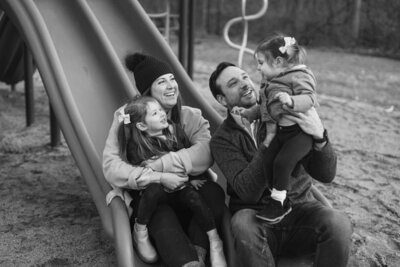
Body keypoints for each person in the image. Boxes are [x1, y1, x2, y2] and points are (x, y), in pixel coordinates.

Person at [208, 62, 352, 267]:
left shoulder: (287, 113)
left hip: (300, 212)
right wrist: (269, 141)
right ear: (222, 99)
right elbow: (247, 191)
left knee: (338, 222)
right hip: (257, 218)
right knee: (242, 223)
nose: (244, 84)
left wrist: (320, 136)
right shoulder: (222, 139)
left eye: (245, 77)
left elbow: (327, 175)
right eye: (233, 83)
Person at [103, 53, 226, 267]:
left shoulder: (191, 116)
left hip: (187, 190)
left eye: (172, 79)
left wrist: (161, 164)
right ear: (147, 92)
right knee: (161, 213)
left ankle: (202, 251)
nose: (171, 86)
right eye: (161, 81)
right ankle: (187, 262)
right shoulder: (128, 117)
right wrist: (158, 177)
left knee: (213, 192)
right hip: (153, 198)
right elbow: (111, 166)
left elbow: (206, 153)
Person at [118, 95, 227, 266]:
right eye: (155, 113)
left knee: (194, 198)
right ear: (142, 125)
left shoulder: (174, 132)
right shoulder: (137, 145)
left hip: (178, 186)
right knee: (153, 192)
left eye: (161, 110)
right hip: (156, 191)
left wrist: (192, 179)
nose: (162, 114)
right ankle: (140, 229)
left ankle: (214, 239)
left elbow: (185, 159)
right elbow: (138, 172)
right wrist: (160, 175)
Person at [238, 35, 320, 223]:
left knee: (282, 163)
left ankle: (279, 202)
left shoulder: (300, 76)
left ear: (277, 61)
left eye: (260, 63)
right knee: (268, 158)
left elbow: (309, 98)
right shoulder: (271, 82)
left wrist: (292, 101)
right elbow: (267, 106)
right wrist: (250, 113)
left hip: (300, 134)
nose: (257, 68)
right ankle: (275, 196)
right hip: (283, 133)